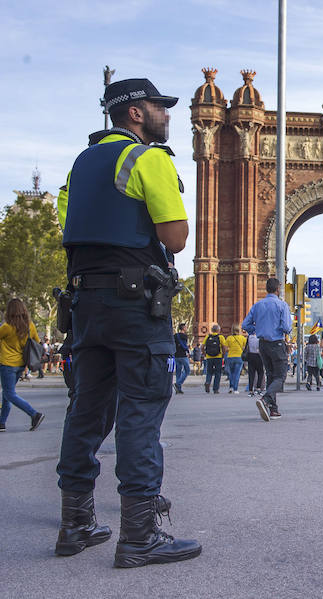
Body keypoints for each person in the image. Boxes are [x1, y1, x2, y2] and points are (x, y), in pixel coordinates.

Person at [55, 78, 200, 566]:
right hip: (135, 305)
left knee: (87, 409)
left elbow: (72, 227)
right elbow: (176, 238)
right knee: (140, 410)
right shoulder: (148, 159)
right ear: (135, 113)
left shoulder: (80, 165)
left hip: (85, 305)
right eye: (160, 107)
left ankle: (74, 524)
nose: (166, 114)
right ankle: (139, 534)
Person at [242, 277, 292, 422]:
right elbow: (287, 328)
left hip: (262, 344)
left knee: (270, 375)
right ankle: (265, 399)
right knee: (281, 376)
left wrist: (257, 330)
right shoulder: (282, 305)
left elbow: (245, 325)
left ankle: (273, 410)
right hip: (276, 343)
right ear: (278, 289)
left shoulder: (257, 305)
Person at [0, 299, 44, 432]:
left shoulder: (6, 327)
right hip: (21, 364)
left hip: (7, 364)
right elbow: (37, 342)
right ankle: (2, 422)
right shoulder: (30, 326)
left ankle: (34, 414)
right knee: (7, 393)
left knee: (9, 394)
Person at [202, 324, 226, 394]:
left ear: (212, 330)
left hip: (209, 357)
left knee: (209, 372)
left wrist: (205, 354)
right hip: (218, 357)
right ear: (218, 330)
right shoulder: (221, 337)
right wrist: (223, 355)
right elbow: (224, 347)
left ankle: (207, 382)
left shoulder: (207, 336)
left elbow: (202, 347)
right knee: (218, 373)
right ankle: (215, 389)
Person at [223, 325, 246, 394]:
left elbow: (225, 348)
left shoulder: (229, 338)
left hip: (230, 357)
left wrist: (230, 349)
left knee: (231, 373)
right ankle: (235, 389)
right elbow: (245, 348)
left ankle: (231, 387)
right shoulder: (242, 338)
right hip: (239, 357)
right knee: (237, 373)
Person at [172, 323, 190, 394]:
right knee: (187, 370)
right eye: (185, 327)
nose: (186, 328)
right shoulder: (184, 336)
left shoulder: (175, 336)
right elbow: (184, 345)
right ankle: (178, 383)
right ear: (183, 328)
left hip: (176, 355)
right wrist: (187, 352)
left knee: (178, 372)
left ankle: (178, 390)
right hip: (183, 355)